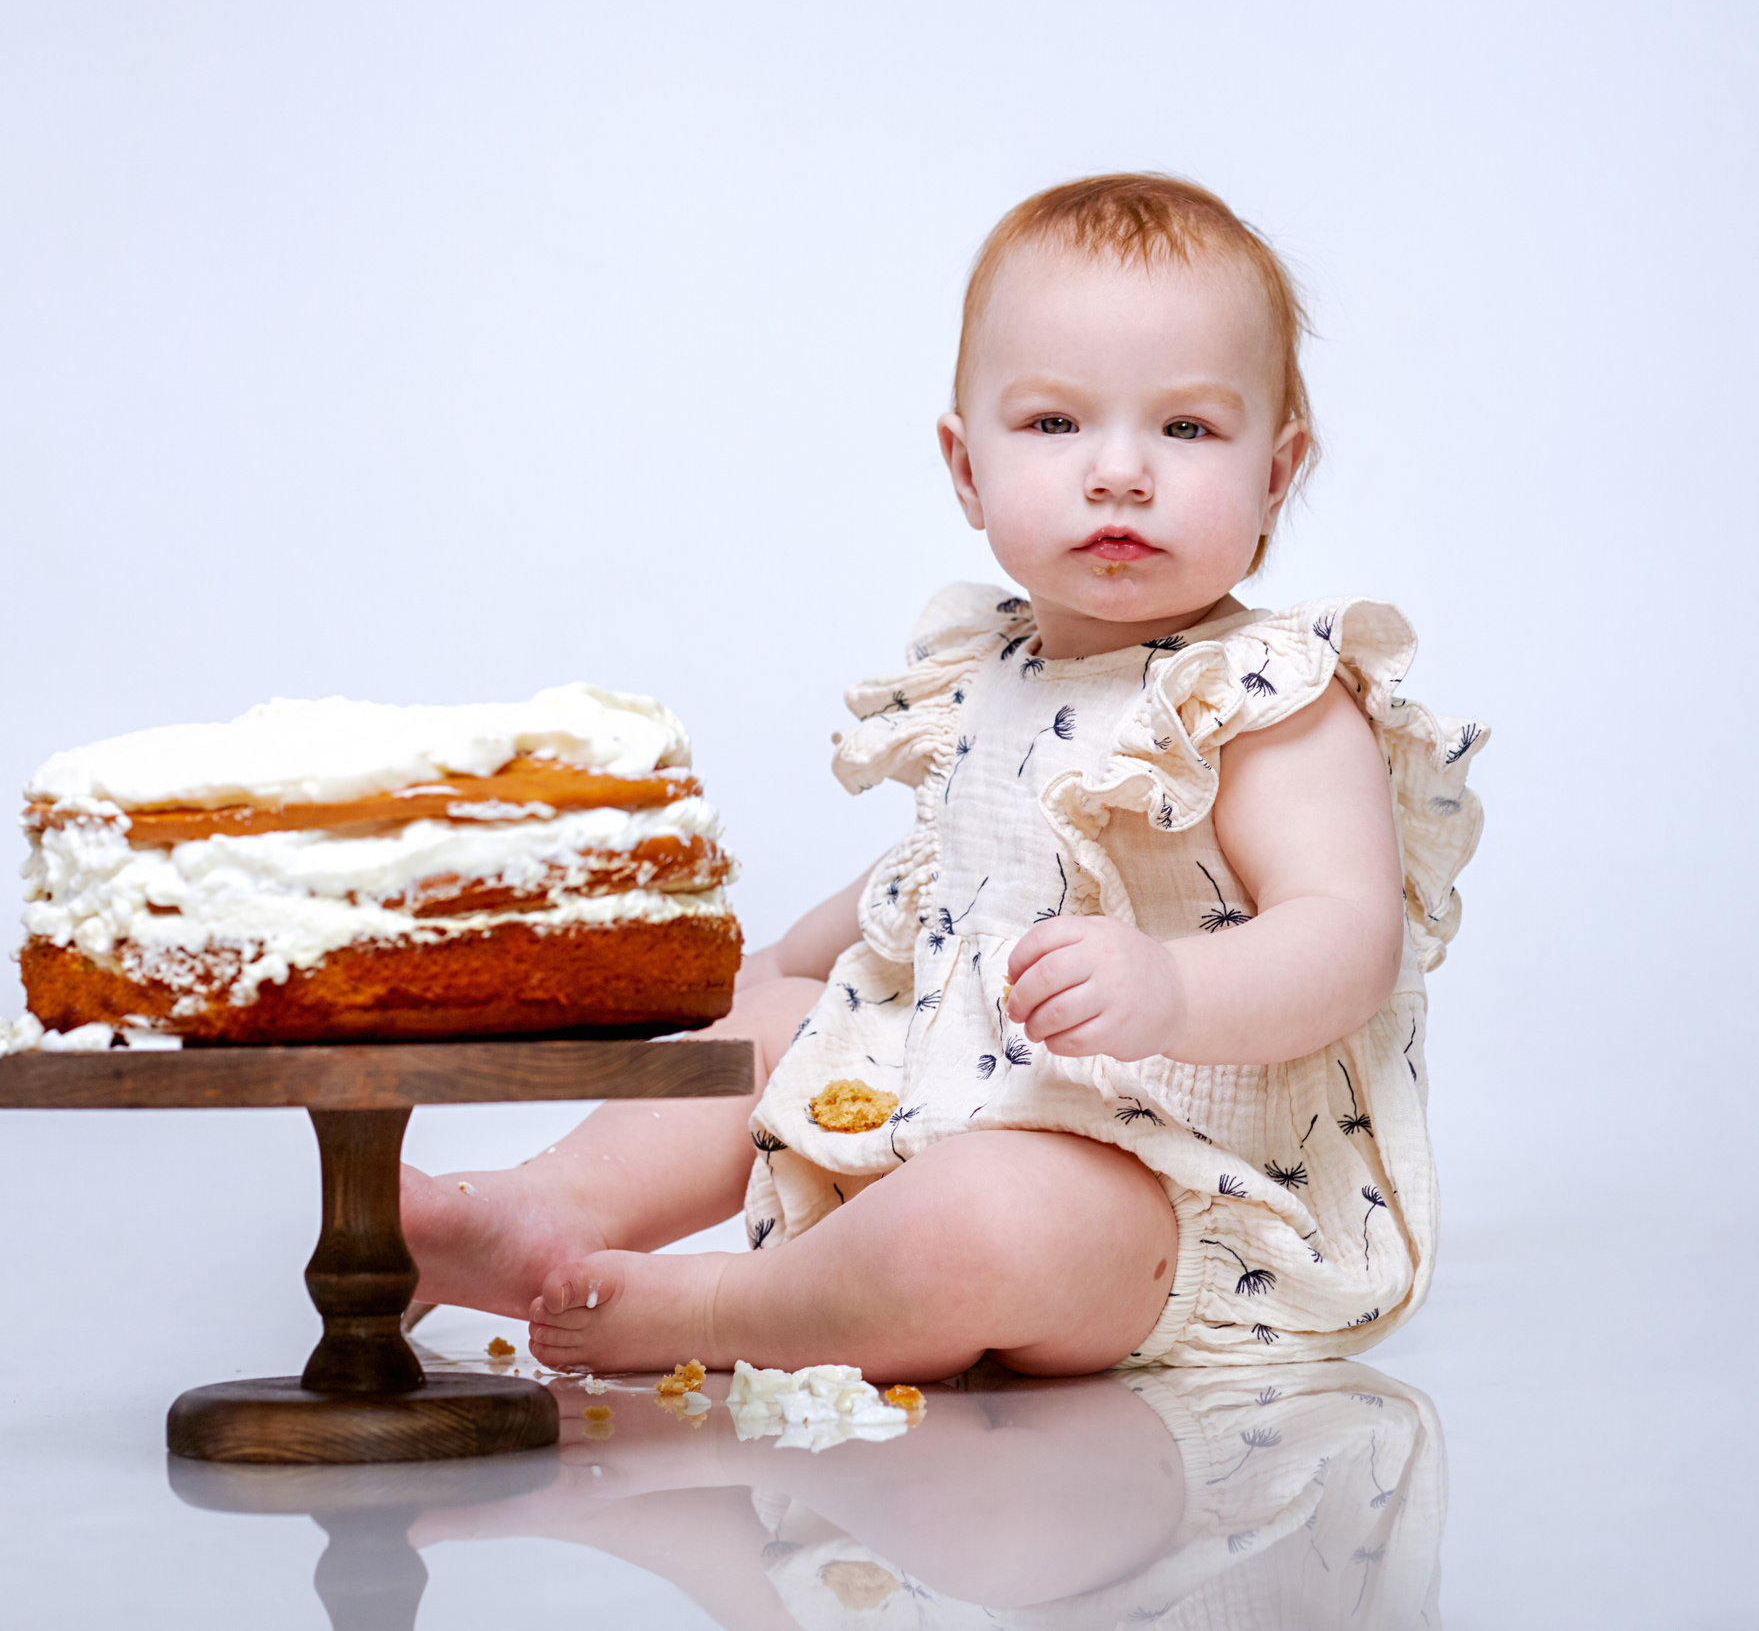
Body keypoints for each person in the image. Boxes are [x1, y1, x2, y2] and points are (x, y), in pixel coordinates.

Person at [401, 173, 1485, 1379]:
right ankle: (546, 1210)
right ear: (964, 470)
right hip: (953, 1092)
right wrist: (762, 977)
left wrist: (1173, 989)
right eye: (1053, 425)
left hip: (1166, 1194)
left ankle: (727, 1311)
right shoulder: (993, 669)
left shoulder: (1265, 696)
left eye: (1185, 429)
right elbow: (943, 873)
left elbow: (1346, 937)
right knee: (759, 1031)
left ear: (1275, 475)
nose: (1118, 473)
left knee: (982, 1220)